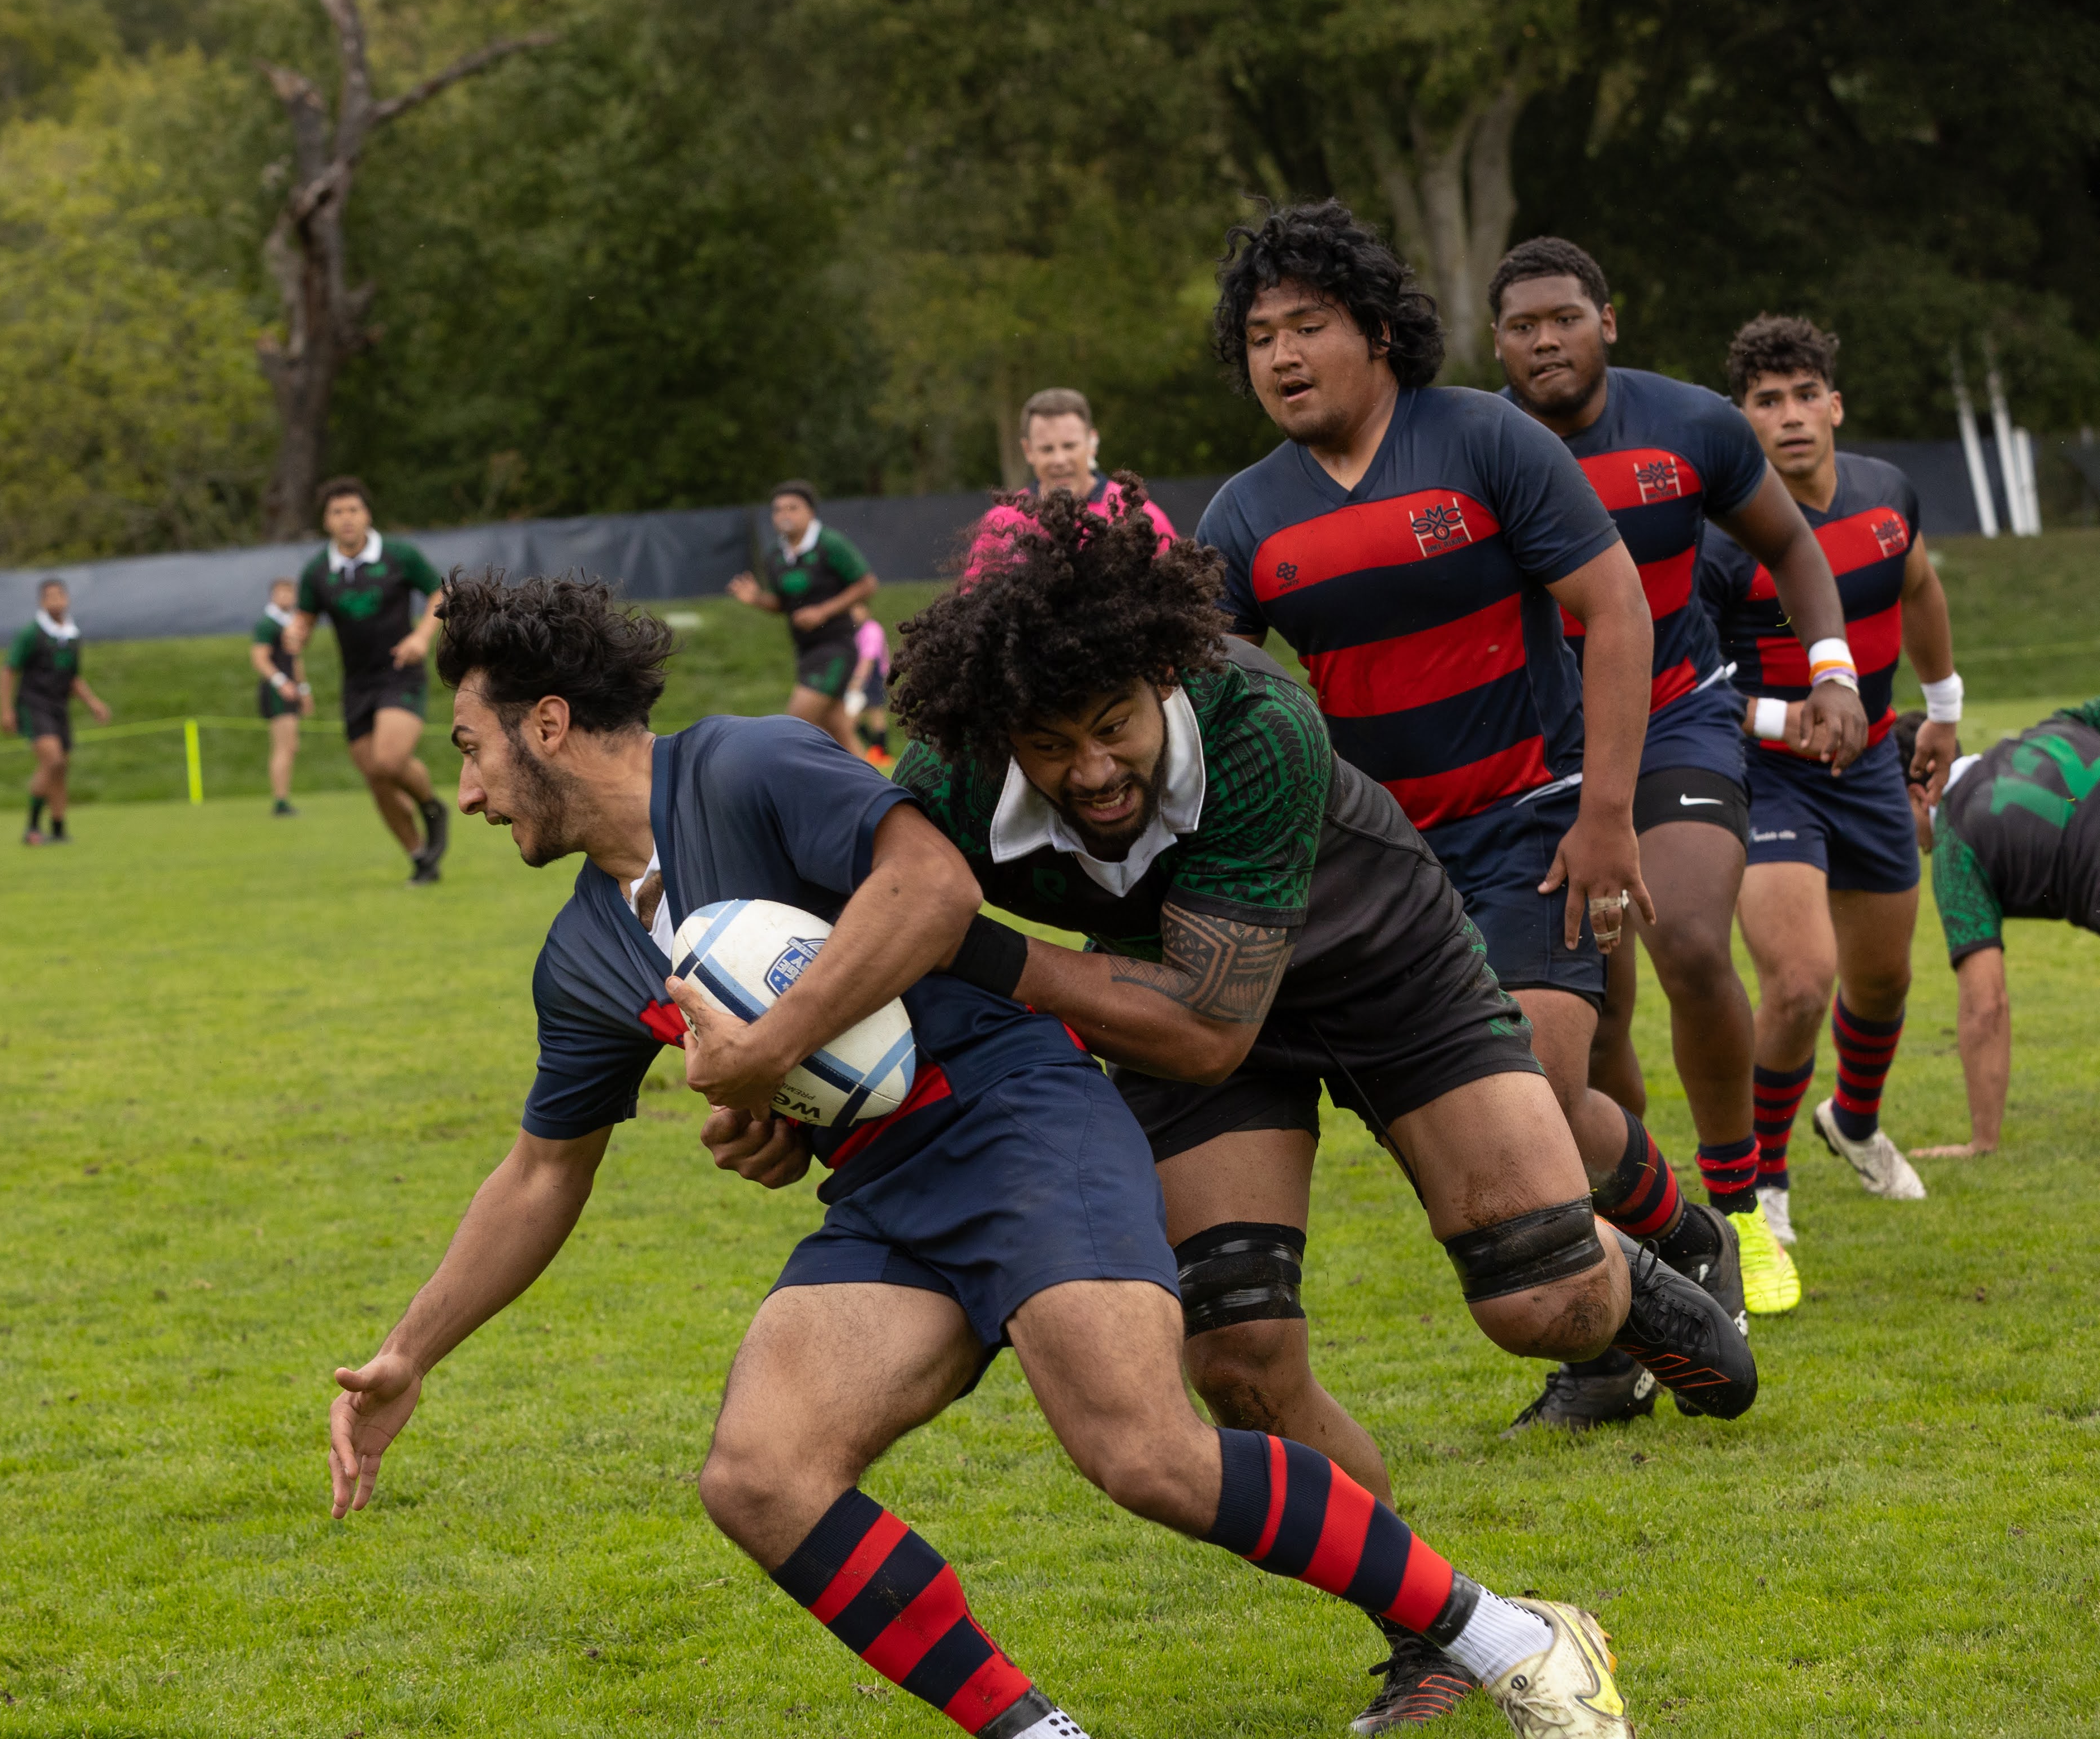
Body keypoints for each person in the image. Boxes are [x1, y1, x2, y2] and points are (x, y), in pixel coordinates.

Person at [329, 567, 1638, 1739]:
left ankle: (1515, 1637)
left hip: (1017, 1115)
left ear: (545, 723)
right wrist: (409, 1353)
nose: (469, 788)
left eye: (474, 748)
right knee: (760, 1471)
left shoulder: (740, 765)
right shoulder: (584, 955)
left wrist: (766, 1046)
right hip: (891, 1196)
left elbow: (933, 889)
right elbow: (539, 1170)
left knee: (1142, 1451)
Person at [888, 492, 1750, 1729]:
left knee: (1541, 1302)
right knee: (1236, 1362)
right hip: (1171, 995)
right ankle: (1433, 1623)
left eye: (1112, 727)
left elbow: (1204, 1023)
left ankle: (1641, 1267)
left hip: (1375, 962)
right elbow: (850, 900)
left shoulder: (1256, 718)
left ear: (1165, 678)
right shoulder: (955, 762)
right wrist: (774, 1057)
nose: (1087, 772)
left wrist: (974, 949)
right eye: (1047, 743)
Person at [1191, 202, 1716, 1436]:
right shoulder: (1243, 518)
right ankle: (1673, 1234)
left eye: (1306, 326)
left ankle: (1614, 1333)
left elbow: (1619, 610)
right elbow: (1206, 708)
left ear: (1376, 329)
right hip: (1380, 870)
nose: (1279, 356)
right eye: (1260, 335)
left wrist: (1603, 816)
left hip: (1533, 824)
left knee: (1530, 1082)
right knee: (1506, 1120)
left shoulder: (1484, 439)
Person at [1492, 240, 1869, 1336]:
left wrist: (1831, 673)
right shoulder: (1472, 445)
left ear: (1607, 322)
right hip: (1535, 751)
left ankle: (1741, 1204)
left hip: (1674, 718)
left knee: (1694, 939)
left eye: (1565, 316)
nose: (1546, 339)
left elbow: (1794, 547)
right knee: (1591, 1013)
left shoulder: (1692, 423)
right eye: (1523, 326)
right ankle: (1648, 1229)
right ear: (1497, 343)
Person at [1699, 315, 1960, 1267]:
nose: (1790, 415)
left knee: (1884, 978)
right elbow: (1689, 689)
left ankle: (1850, 1121)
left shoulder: (1887, 493)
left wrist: (1941, 708)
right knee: (1801, 981)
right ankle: (1763, 1182)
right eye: (1766, 401)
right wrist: (1786, 725)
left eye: (1805, 394)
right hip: (1769, 778)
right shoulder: (1721, 539)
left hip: (1875, 767)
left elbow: (1921, 591)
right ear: (1741, 420)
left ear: (1834, 404)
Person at [1915, 699, 2100, 1157]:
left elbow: (1986, 1007)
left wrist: (1983, 1140)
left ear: (1920, 794)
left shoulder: (1954, 847)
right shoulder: (2058, 726)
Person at [287, 479, 451, 882]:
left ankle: (432, 807)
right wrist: (297, 632)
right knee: (377, 777)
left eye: (353, 510)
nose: (347, 518)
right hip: (356, 683)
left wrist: (420, 636)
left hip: (400, 672)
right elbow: (305, 618)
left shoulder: (399, 555)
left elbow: (439, 593)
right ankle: (420, 858)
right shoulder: (317, 571)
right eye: (337, 512)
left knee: (390, 758)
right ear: (326, 521)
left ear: (367, 515)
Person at [728, 481, 878, 759]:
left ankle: (787, 795)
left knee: (794, 726)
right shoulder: (775, 555)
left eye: (793, 508)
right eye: (778, 510)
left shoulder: (829, 544)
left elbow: (867, 584)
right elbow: (781, 604)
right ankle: (878, 788)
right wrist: (756, 599)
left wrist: (824, 611)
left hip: (836, 646)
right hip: (806, 650)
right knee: (838, 729)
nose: (785, 514)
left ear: (811, 512)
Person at [0, 578, 113, 846]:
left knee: (61, 769)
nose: (56, 601)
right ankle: (32, 828)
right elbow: (8, 670)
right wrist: (6, 711)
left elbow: (73, 678)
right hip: (34, 705)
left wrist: (93, 703)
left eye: (60, 596)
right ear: (42, 602)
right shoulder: (32, 633)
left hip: (59, 707)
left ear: (67, 599)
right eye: (49, 597)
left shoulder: (72, 636)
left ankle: (59, 830)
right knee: (52, 762)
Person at [250, 575, 312, 816]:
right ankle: (280, 802)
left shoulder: (289, 623)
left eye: (290, 593)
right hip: (277, 692)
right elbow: (259, 658)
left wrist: (304, 690)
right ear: (273, 596)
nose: (287, 598)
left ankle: (283, 799)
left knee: (291, 746)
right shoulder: (268, 624)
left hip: (290, 689)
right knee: (283, 746)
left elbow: (295, 659)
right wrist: (281, 683)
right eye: (282, 593)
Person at [846, 615, 892, 767]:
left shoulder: (871, 629)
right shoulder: (854, 630)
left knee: (875, 714)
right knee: (853, 719)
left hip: (872, 678)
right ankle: (874, 751)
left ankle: (882, 754)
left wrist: (858, 680)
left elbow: (869, 658)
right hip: (859, 677)